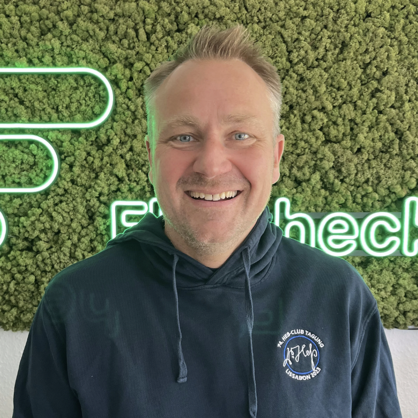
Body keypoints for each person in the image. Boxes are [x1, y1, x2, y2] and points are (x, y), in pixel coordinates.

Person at [13, 24, 402, 418]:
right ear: (151, 158)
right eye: (184, 137)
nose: (212, 165)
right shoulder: (74, 303)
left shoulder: (338, 297)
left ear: (275, 157)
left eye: (241, 135)